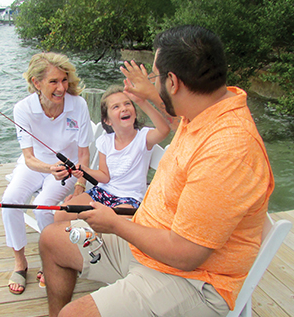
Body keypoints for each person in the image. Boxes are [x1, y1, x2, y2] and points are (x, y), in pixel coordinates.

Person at [39, 25, 273, 317]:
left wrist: (114, 224)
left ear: (173, 81)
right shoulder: (206, 108)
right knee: (51, 239)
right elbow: (173, 117)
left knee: (73, 315)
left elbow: (186, 255)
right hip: (148, 242)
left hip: (194, 278)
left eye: (156, 76)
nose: (154, 82)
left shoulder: (227, 150)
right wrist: (148, 94)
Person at [2, 52, 93, 295]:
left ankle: (50, 260)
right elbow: (29, 158)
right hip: (36, 165)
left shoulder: (79, 105)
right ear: (36, 82)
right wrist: (48, 169)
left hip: (69, 167)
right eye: (53, 81)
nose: (61, 87)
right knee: (9, 201)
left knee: (42, 205)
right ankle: (20, 262)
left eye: (64, 80)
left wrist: (78, 187)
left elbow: (84, 155)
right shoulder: (23, 108)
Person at [54, 84, 170, 222]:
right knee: (60, 214)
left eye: (127, 103)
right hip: (101, 193)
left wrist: (141, 101)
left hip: (129, 200)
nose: (124, 108)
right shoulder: (105, 141)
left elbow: (164, 129)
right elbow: (105, 177)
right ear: (107, 120)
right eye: (116, 107)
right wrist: (85, 170)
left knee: (105, 222)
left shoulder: (144, 138)